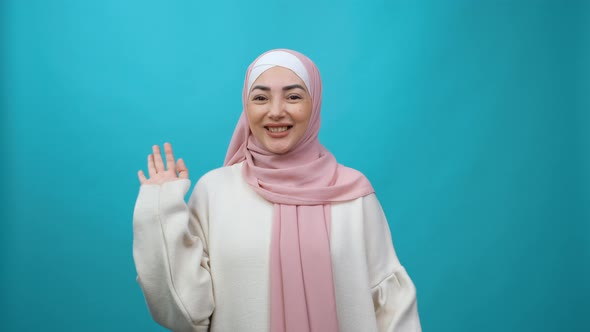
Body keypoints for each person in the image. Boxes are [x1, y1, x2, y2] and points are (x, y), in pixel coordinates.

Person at [133, 49, 421, 332]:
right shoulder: (215, 191)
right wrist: (160, 211)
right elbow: (186, 312)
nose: (276, 111)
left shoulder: (353, 194)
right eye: (260, 98)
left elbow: (391, 304)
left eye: (293, 96)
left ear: (315, 103)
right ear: (246, 108)